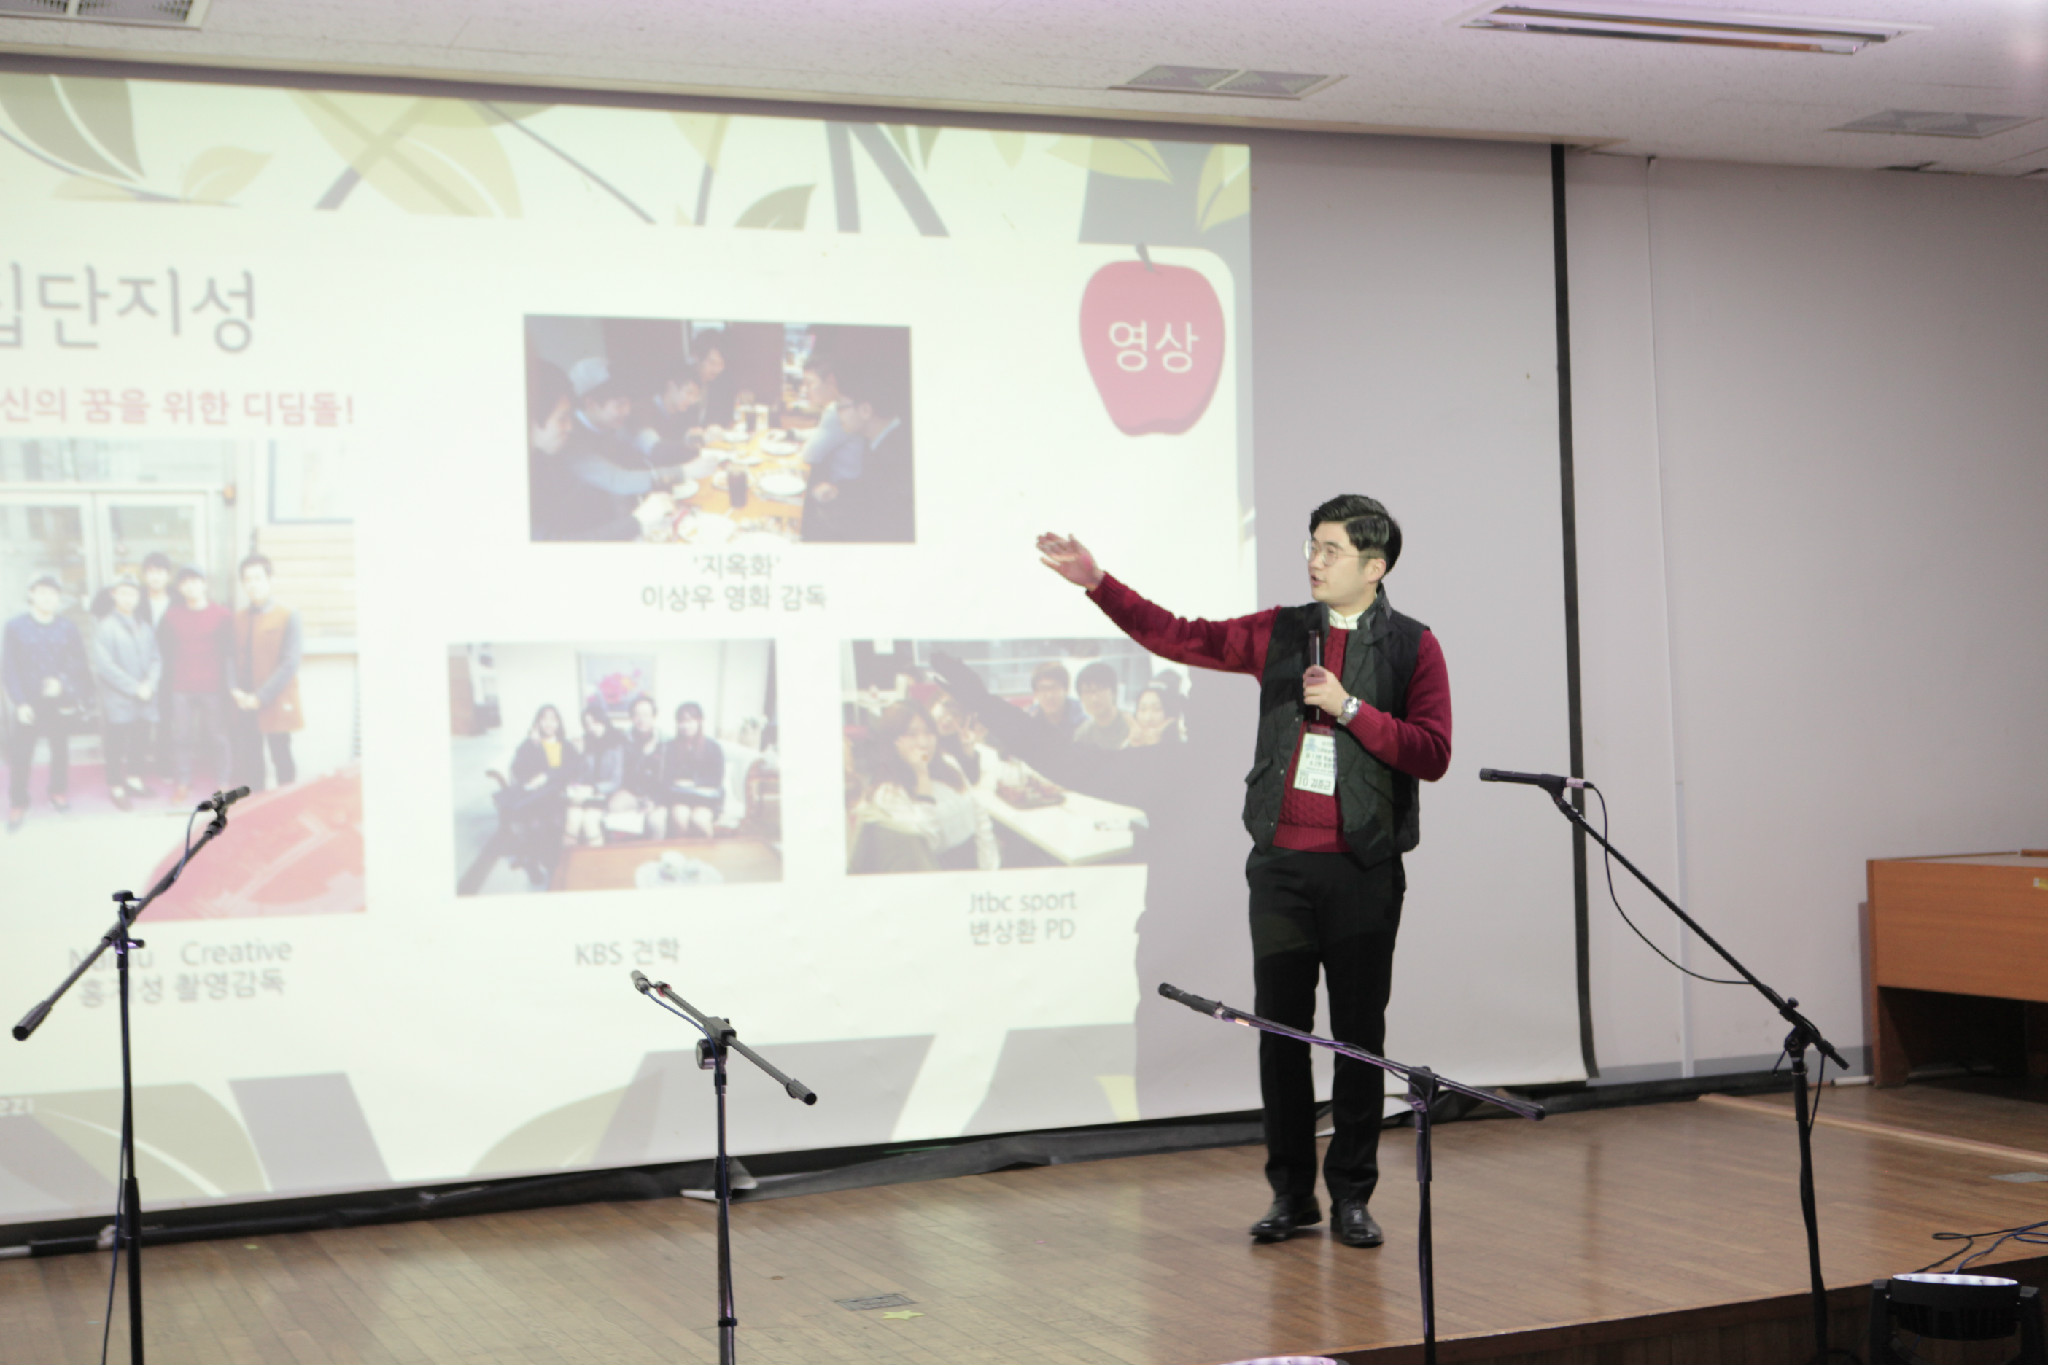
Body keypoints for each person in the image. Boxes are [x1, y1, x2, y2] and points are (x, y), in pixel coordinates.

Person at [1036, 494, 1453, 1251]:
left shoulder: (1412, 647)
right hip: (1283, 867)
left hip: (1363, 868)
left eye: (1330, 550)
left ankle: (1352, 1194)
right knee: (1279, 1033)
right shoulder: (1282, 630)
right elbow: (1180, 637)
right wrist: (1098, 582)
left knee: (1359, 1037)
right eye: (1312, 545)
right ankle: (1291, 1194)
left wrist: (1351, 709)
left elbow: (1432, 752)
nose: (1314, 560)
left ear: (1375, 566)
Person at [533, 358, 690, 543]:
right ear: (590, 403)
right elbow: (617, 480)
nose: (569, 426)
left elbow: (620, 484)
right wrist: (636, 522)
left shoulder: (609, 428)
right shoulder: (568, 445)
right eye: (619, 404)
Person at [852, 701, 997, 872]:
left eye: (928, 732)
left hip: (978, 861)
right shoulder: (888, 793)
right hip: (942, 871)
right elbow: (927, 845)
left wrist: (990, 867)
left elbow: (978, 814)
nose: (923, 743)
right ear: (892, 741)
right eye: (911, 734)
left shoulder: (948, 764)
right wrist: (922, 774)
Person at [4, 574, 91, 830]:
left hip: (58, 700)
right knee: (21, 753)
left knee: (60, 749)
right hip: (28, 703)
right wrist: (20, 703)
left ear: (58, 598)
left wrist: (62, 683)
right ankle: (19, 801)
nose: (47, 598)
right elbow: (9, 668)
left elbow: (79, 663)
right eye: (41, 592)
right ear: (31, 594)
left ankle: (57, 791)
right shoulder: (15, 627)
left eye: (52, 593)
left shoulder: (67, 627)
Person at [807, 355, 913, 543]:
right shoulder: (884, 439)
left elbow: (879, 514)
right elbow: (868, 486)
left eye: (841, 407)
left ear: (865, 410)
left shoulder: (896, 454)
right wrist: (837, 490)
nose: (837, 414)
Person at [157, 566, 234, 803]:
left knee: (218, 736)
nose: (190, 586)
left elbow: (229, 651)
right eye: (185, 582)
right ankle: (184, 782)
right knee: (181, 736)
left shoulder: (222, 615)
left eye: (195, 581)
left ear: (204, 584)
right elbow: (163, 648)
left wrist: (230, 684)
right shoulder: (172, 616)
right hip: (181, 686)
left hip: (213, 686)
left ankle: (223, 782)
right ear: (180, 588)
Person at [230, 554, 304, 792]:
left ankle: (289, 804)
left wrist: (260, 697)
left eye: (258, 578)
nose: (253, 584)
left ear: (270, 580)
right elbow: (230, 656)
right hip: (245, 701)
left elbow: (290, 663)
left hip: (275, 699)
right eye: (247, 579)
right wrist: (234, 689)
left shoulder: (288, 615)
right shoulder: (238, 618)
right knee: (251, 760)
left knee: (281, 757)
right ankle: (258, 803)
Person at [90, 574, 161, 810]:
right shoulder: (105, 626)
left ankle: (134, 779)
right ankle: (116, 786)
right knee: (116, 743)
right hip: (118, 698)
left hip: (145, 695)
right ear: (114, 595)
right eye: (123, 593)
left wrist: (150, 684)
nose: (128, 598)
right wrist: (135, 687)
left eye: (132, 593)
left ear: (138, 597)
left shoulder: (145, 626)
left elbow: (156, 658)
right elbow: (105, 666)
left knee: (140, 738)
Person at [504, 703, 572, 888]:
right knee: (535, 823)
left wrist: (548, 775)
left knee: (556, 821)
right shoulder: (529, 744)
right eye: (544, 719)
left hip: (557, 796)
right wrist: (534, 746)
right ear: (538, 723)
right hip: (534, 798)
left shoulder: (565, 745)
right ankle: (533, 862)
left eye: (553, 719)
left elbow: (572, 769)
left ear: (558, 723)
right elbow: (519, 771)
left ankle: (552, 866)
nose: (549, 723)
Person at [662, 701, 725, 839]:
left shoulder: (713, 747)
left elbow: (717, 778)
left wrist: (693, 783)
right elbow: (665, 776)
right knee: (680, 818)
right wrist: (676, 782)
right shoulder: (670, 747)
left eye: (690, 721)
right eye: (682, 721)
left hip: (705, 798)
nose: (686, 726)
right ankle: (681, 850)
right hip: (680, 797)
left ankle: (707, 850)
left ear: (699, 721)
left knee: (699, 820)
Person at [567, 698, 626, 846]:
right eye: (587, 725)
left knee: (589, 820)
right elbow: (580, 776)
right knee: (573, 818)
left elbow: (616, 781)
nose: (592, 728)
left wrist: (594, 789)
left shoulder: (617, 743)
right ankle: (569, 858)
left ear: (603, 721)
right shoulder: (587, 743)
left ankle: (596, 859)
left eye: (596, 722)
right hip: (587, 794)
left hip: (607, 795)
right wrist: (579, 754)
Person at [616, 694, 669, 839]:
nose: (641, 719)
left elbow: (668, 779)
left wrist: (655, 801)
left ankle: (655, 852)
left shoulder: (666, 741)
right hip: (632, 794)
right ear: (631, 718)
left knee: (656, 822)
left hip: (657, 796)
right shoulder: (623, 740)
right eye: (637, 715)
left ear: (654, 717)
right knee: (614, 807)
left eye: (646, 714)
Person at [1073, 661, 1133, 750]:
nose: (1094, 699)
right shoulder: (1082, 735)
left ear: (1114, 692)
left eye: (1100, 689)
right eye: (1088, 691)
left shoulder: (1132, 725)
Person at [1024, 661, 1083, 736]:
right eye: (1043, 689)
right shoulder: (1028, 720)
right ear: (1035, 693)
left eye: (1054, 688)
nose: (1049, 696)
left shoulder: (1083, 718)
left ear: (1066, 690)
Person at [1128, 683, 1184, 748]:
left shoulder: (1180, 747)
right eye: (1143, 709)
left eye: (1156, 709)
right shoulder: (1129, 743)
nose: (1148, 718)